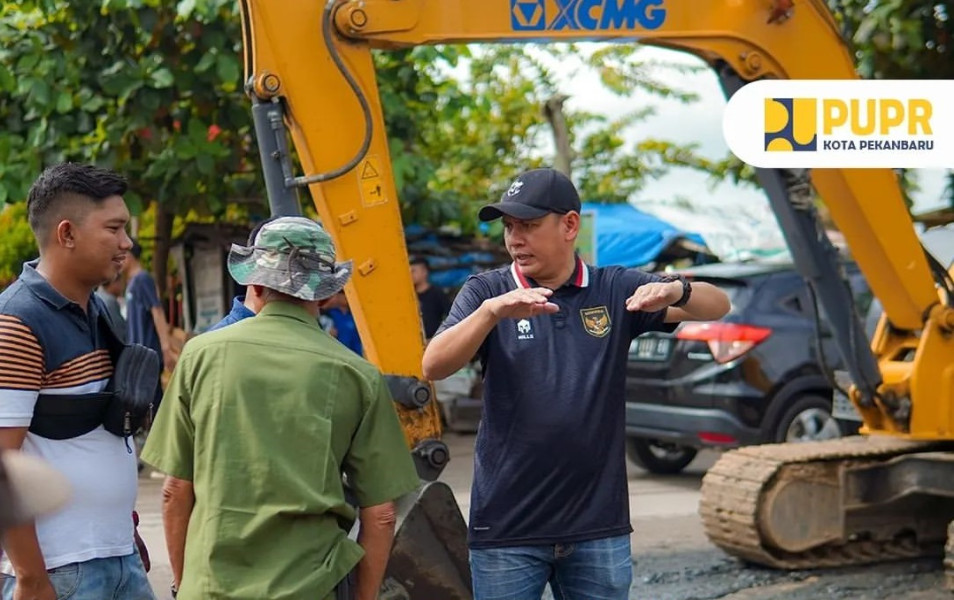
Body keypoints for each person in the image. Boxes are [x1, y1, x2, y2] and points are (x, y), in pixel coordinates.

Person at [422, 167, 731, 600]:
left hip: (597, 527)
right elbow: (433, 365)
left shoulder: (613, 288)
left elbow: (718, 304)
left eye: (528, 226)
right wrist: (491, 313)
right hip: (508, 527)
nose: (514, 239)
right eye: (509, 227)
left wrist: (677, 290)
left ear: (569, 225)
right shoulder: (487, 291)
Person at [140, 216, 421, 600]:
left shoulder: (200, 355)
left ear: (253, 283)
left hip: (212, 586)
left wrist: (185, 584)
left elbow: (175, 491)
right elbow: (381, 513)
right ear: (325, 294)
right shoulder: (358, 374)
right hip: (311, 585)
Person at [0, 163, 156, 600]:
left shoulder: (97, 309)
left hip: (118, 555)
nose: (127, 242)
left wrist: (122, 530)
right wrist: (32, 579)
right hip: (61, 569)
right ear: (66, 234)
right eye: (114, 228)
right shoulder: (18, 323)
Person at [124, 239, 176, 375]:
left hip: (147, 353)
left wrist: (165, 348)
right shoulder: (132, 282)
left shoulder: (142, 279)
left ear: (129, 256)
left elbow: (157, 310)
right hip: (138, 354)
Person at [410, 256, 451, 340]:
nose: (410, 274)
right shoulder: (410, 295)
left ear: (424, 272)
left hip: (433, 341)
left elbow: (450, 315)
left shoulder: (437, 293)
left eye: (414, 271)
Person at [324, 291, 363, 356]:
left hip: (356, 354)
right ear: (337, 296)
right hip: (338, 353)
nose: (346, 297)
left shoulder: (355, 316)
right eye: (343, 294)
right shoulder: (330, 314)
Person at [96, 272, 126, 339]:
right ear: (114, 281)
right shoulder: (109, 302)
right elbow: (119, 333)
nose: (122, 286)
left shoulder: (97, 297)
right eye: (121, 282)